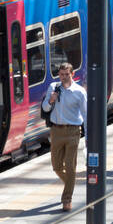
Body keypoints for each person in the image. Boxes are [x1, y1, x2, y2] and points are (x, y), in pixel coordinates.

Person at [42, 62, 87, 210]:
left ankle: (66, 199)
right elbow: (45, 108)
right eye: (61, 74)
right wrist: (51, 100)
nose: (63, 77)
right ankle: (71, 182)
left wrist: (88, 136)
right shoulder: (53, 88)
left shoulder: (79, 92)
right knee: (56, 166)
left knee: (70, 166)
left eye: (66, 74)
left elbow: (86, 114)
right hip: (56, 131)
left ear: (72, 74)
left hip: (73, 131)